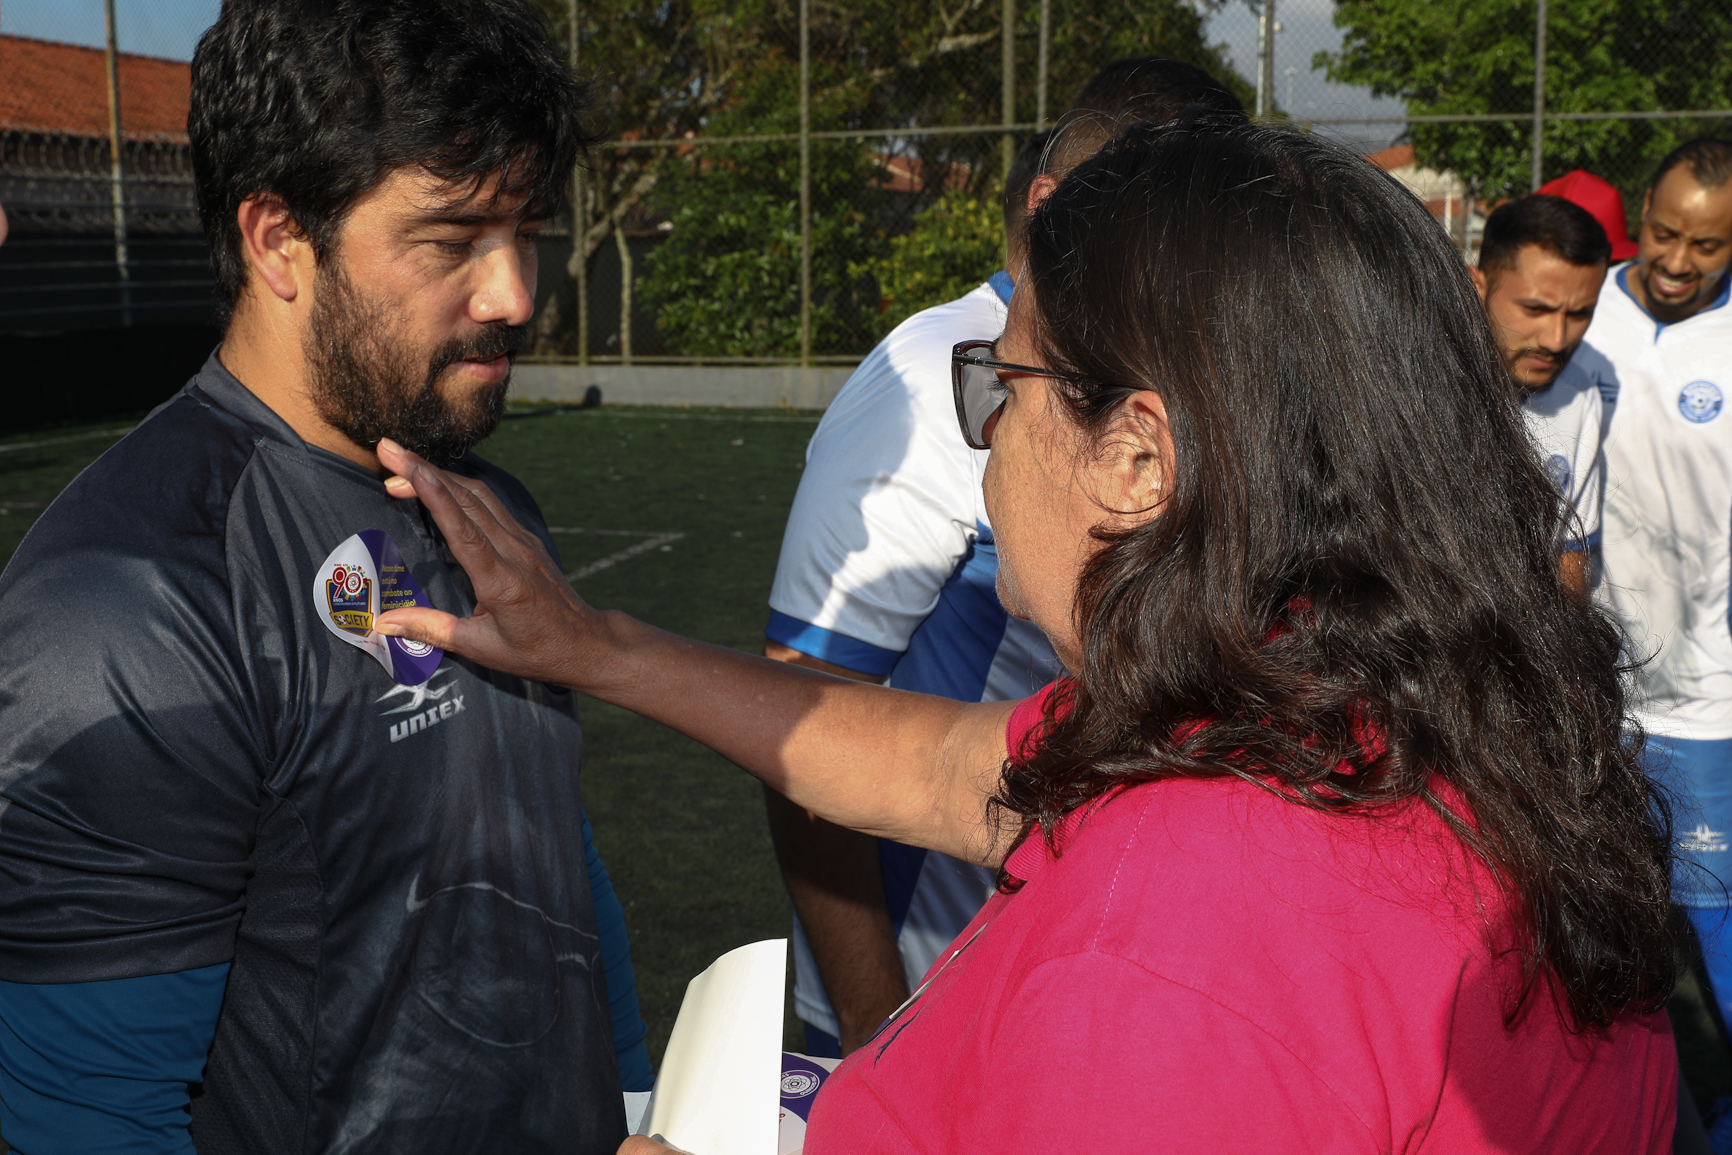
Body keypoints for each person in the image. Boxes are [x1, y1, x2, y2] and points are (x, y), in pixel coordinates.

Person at [376, 117, 1680, 1151]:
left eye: (1005, 381)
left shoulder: (1169, 953)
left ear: (1135, 456)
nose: (988, 431)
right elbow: (944, 767)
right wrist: (597, 646)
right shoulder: (1342, 712)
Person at [0, 1, 648, 1151]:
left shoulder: (491, 508)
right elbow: (92, 1116)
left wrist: (633, 1105)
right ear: (276, 240)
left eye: (526, 231)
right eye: (452, 239)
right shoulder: (128, 602)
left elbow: (554, 850)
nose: (514, 294)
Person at [765, 55, 1246, 1059]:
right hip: (929, 989)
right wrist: (872, 1020)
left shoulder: (1192, 366)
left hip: (1096, 971)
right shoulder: (932, 378)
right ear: (1049, 205)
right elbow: (802, 708)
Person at [1582, 138, 1732, 1027]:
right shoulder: (1579, 312)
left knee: (1714, 924)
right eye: (1666, 232)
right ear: (1643, 208)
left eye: (1707, 245)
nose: (1677, 260)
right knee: (1599, 927)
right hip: (1586, 685)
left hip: (1703, 698)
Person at [1468, 194, 1612, 596]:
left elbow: (1570, 557)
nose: (1556, 339)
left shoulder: (1579, 394)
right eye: (1535, 309)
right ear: (1477, 287)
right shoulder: (1412, 383)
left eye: (1579, 313)